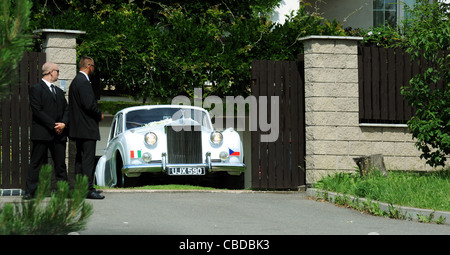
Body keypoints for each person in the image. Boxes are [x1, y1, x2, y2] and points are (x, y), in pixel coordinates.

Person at [25, 62, 69, 199]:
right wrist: (54, 125)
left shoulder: (59, 92)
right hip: (42, 133)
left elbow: (67, 109)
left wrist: (64, 123)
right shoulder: (36, 89)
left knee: (60, 164)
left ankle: (63, 192)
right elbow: (37, 110)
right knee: (36, 163)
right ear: (51, 72)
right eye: (57, 71)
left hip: (59, 135)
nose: (58, 74)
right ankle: (30, 192)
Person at [69, 56, 105, 199]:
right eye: (93, 67)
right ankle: (88, 189)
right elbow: (89, 104)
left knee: (79, 159)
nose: (93, 70)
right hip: (87, 128)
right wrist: (99, 115)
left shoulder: (75, 81)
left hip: (78, 128)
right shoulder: (83, 82)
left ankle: (79, 187)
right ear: (89, 66)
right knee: (88, 160)